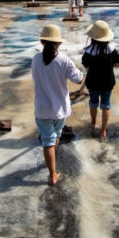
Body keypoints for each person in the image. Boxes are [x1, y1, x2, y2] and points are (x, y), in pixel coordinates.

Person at [32, 24, 83, 185]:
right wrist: (81, 70)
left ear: (42, 41)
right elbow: (79, 79)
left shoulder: (36, 59)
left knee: (47, 140)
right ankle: (53, 172)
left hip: (42, 108)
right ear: (59, 43)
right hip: (60, 109)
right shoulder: (64, 60)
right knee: (56, 136)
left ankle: (51, 169)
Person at [81, 21, 119, 141]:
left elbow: (87, 66)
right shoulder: (111, 49)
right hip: (107, 82)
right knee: (106, 105)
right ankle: (103, 130)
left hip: (93, 82)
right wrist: (110, 65)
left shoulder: (88, 51)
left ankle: (94, 123)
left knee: (93, 102)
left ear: (93, 38)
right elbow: (117, 63)